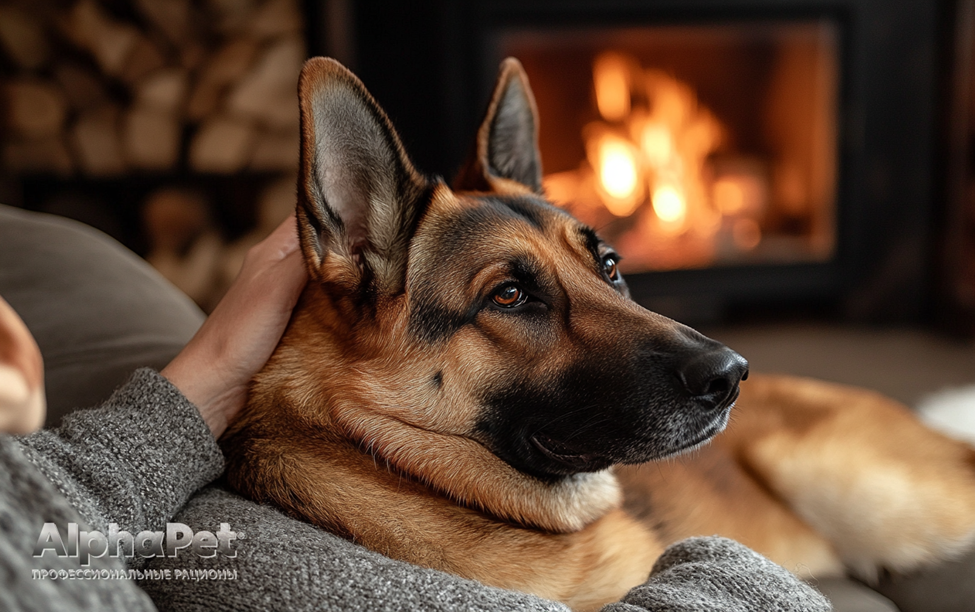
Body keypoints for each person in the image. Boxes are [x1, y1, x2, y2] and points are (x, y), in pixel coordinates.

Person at [0, 204, 831, 611]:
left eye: (603, 268)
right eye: (512, 294)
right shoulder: (216, 556)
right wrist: (722, 569)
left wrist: (214, 368)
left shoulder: (85, 531)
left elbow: (57, 514)